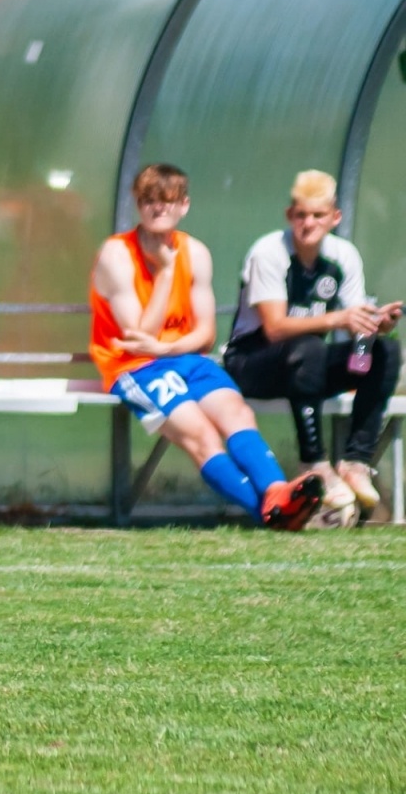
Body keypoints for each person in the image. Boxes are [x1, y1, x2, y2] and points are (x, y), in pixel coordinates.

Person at [90, 164, 325, 529]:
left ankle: (280, 493)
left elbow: (206, 333)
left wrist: (168, 347)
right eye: (149, 201)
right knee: (200, 434)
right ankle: (268, 513)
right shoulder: (116, 254)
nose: (158, 209)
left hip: (185, 357)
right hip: (133, 368)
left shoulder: (195, 252)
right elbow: (138, 336)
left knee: (238, 415)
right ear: (138, 204)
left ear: (184, 206)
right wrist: (166, 273)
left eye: (167, 201)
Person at [224, 170, 402, 518]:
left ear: (335, 217)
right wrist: (338, 319)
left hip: (308, 366)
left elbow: (354, 323)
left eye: (318, 215)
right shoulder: (269, 252)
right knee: (307, 348)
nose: (309, 223)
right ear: (290, 216)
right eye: (301, 214)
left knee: (386, 351)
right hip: (251, 363)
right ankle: (315, 464)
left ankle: (356, 461)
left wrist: (375, 324)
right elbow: (274, 329)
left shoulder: (343, 255)